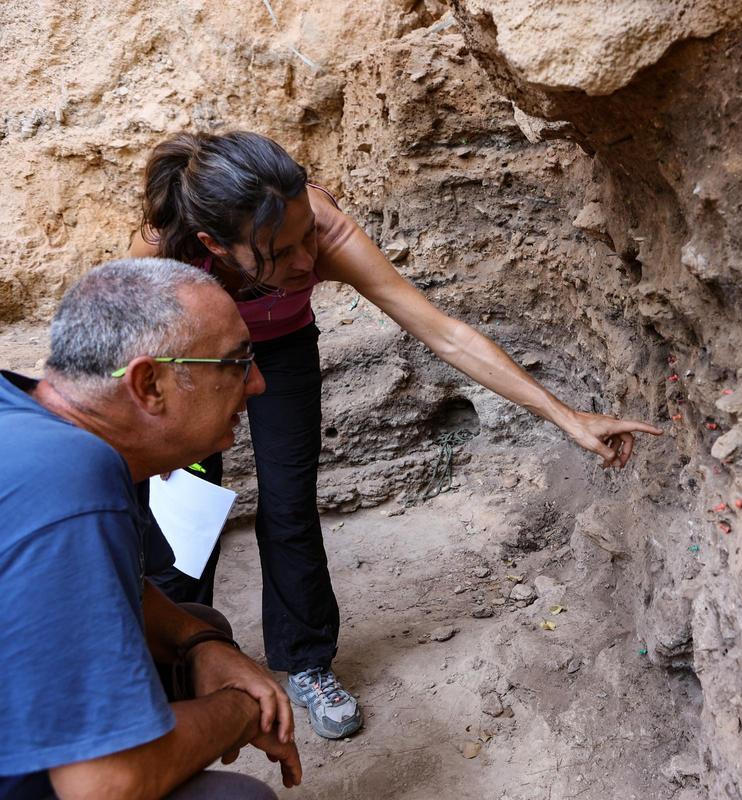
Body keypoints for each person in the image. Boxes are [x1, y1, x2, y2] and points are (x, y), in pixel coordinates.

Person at [128, 130, 662, 739]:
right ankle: (172, 666)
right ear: (212, 246)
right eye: (279, 253)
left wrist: (568, 416)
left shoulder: (323, 232)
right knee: (181, 510)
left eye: (308, 235)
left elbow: (444, 333)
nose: (307, 262)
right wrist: (155, 436)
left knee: (289, 503)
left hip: (282, 353)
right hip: (192, 363)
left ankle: (305, 662)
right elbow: (125, 350)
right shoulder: (161, 252)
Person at [0, 259, 302, 799]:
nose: (257, 383)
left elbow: (89, 587)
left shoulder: (26, 414)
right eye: (236, 363)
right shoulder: (71, 483)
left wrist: (198, 642)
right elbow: (105, 787)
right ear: (149, 384)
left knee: (196, 621)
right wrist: (241, 710)